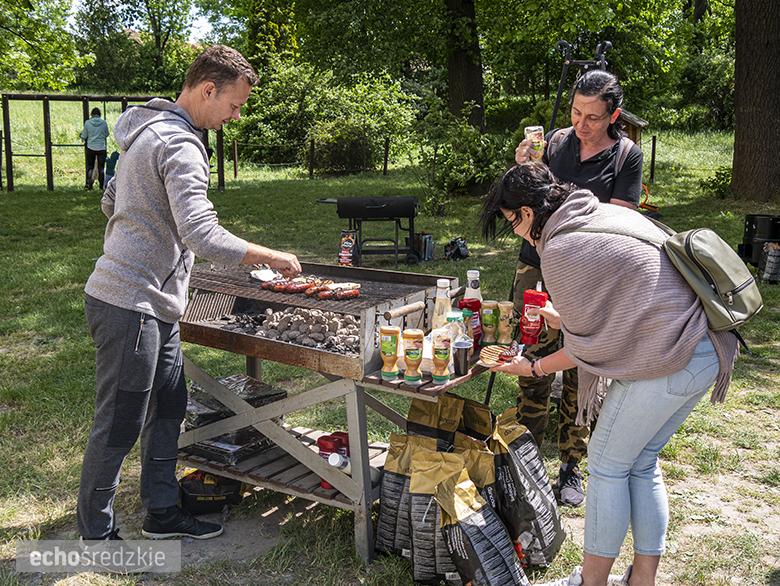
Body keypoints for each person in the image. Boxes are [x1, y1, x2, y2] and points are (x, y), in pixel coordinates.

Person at [78, 45, 302, 547]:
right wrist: (269, 255)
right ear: (207, 90)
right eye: (234, 105)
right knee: (120, 422)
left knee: (169, 406)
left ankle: (161, 512)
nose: (234, 116)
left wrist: (140, 232)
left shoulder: (143, 132)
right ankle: (97, 533)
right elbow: (201, 233)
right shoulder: (179, 144)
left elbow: (109, 199)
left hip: (154, 303)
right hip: (129, 305)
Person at [480, 163, 738, 586]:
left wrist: (533, 367)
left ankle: (592, 582)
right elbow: (627, 302)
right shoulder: (594, 211)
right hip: (707, 346)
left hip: (671, 355)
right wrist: (563, 318)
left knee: (605, 464)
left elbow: (584, 350)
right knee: (640, 463)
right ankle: (642, 580)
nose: (514, 232)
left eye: (510, 221)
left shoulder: (561, 246)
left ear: (527, 213)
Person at [510, 70, 644, 507]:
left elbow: (618, 222)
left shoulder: (626, 156)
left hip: (589, 279)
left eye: (592, 117)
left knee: (579, 371)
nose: (580, 125)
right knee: (530, 357)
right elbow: (527, 200)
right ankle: (526, 456)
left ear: (614, 115)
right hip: (536, 268)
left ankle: (571, 465)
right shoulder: (554, 143)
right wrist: (522, 165)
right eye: (575, 112)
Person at [80, 107, 110, 190]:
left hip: (90, 147)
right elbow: (106, 134)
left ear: (92, 114)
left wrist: (81, 136)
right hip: (101, 147)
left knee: (90, 167)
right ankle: (101, 186)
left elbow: (84, 135)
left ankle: (88, 185)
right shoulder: (104, 123)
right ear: (100, 115)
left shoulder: (87, 123)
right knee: (101, 167)